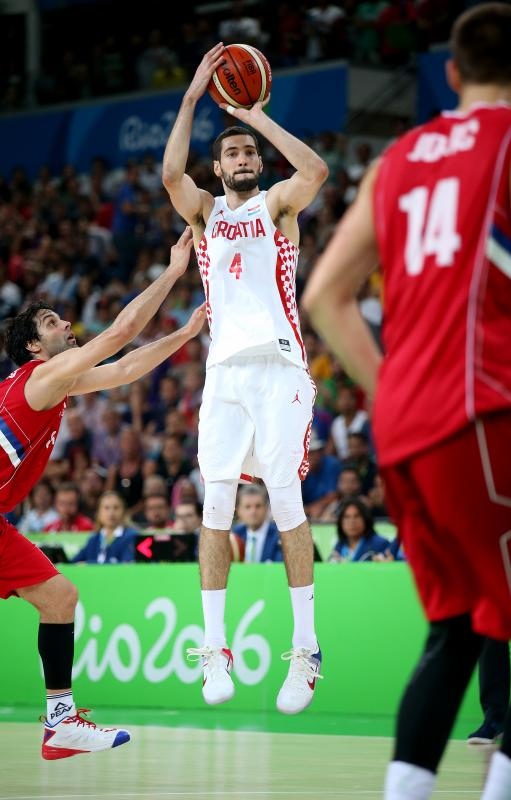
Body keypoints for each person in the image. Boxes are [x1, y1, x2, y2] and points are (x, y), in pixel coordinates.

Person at [303, 4, 511, 797]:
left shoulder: (398, 159)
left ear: (451, 74)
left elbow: (324, 296)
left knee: (454, 629)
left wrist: (392, 392)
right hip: (480, 414)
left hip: (405, 433)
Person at [162, 42, 328, 715]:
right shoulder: (206, 214)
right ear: (217, 166)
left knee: (286, 500)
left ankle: (306, 648)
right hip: (225, 374)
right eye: (231, 152)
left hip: (281, 366)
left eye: (249, 152)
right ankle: (214, 647)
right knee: (216, 506)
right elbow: (170, 174)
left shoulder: (278, 206)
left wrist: (254, 117)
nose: (242, 158)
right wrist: (192, 96)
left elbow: (315, 169)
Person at [0, 227, 205, 760]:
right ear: (32, 346)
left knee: (59, 598)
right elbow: (121, 333)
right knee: (60, 597)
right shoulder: (40, 379)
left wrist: (185, 334)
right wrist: (173, 272)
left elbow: (126, 367)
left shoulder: (57, 384)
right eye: (52, 322)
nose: (66, 325)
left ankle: (60, 722)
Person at [71, 491, 137, 564]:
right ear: (99, 512)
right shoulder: (93, 539)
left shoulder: (131, 536)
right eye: (106, 508)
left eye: (116, 508)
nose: (111, 513)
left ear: (123, 511)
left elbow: (126, 563)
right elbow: (72, 563)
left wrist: (88, 564)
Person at [328, 497, 389, 563]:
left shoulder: (380, 544)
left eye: (357, 516)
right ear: (340, 522)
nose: (352, 521)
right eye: (347, 517)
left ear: (365, 519)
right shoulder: (339, 546)